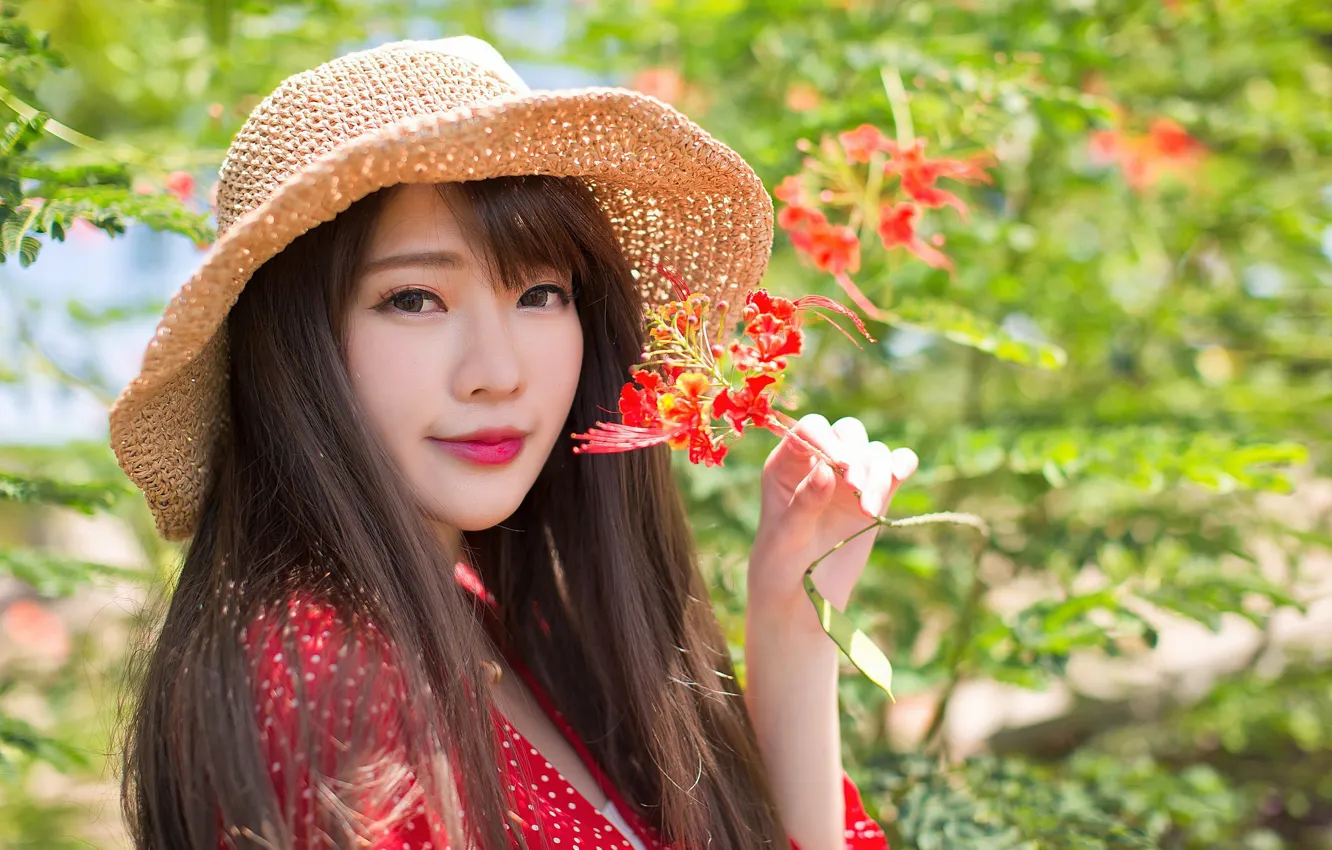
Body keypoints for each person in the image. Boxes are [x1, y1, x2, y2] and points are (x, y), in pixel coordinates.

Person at [112, 36, 918, 850]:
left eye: (540, 292)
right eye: (415, 299)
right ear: (293, 345)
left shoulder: (512, 629)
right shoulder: (320, 674)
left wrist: (793, 622)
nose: (497, 373)